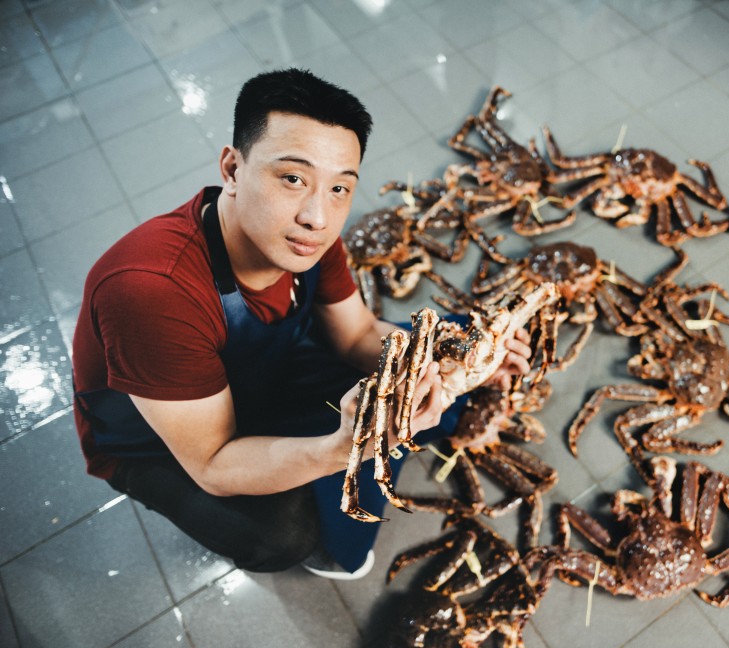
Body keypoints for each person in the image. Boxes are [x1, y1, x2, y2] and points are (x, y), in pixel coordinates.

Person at [72, 68, 531, 579]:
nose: (318, 216)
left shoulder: (309, 235)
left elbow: (357, 334)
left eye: (340, 188)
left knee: (451, 336)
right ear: (232, 168)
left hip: (260, 371)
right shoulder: (151, 292)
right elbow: (214, 464)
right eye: (293, 178)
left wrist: (461, 360)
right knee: (283, 533)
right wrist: (343, 448)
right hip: (162, 440)